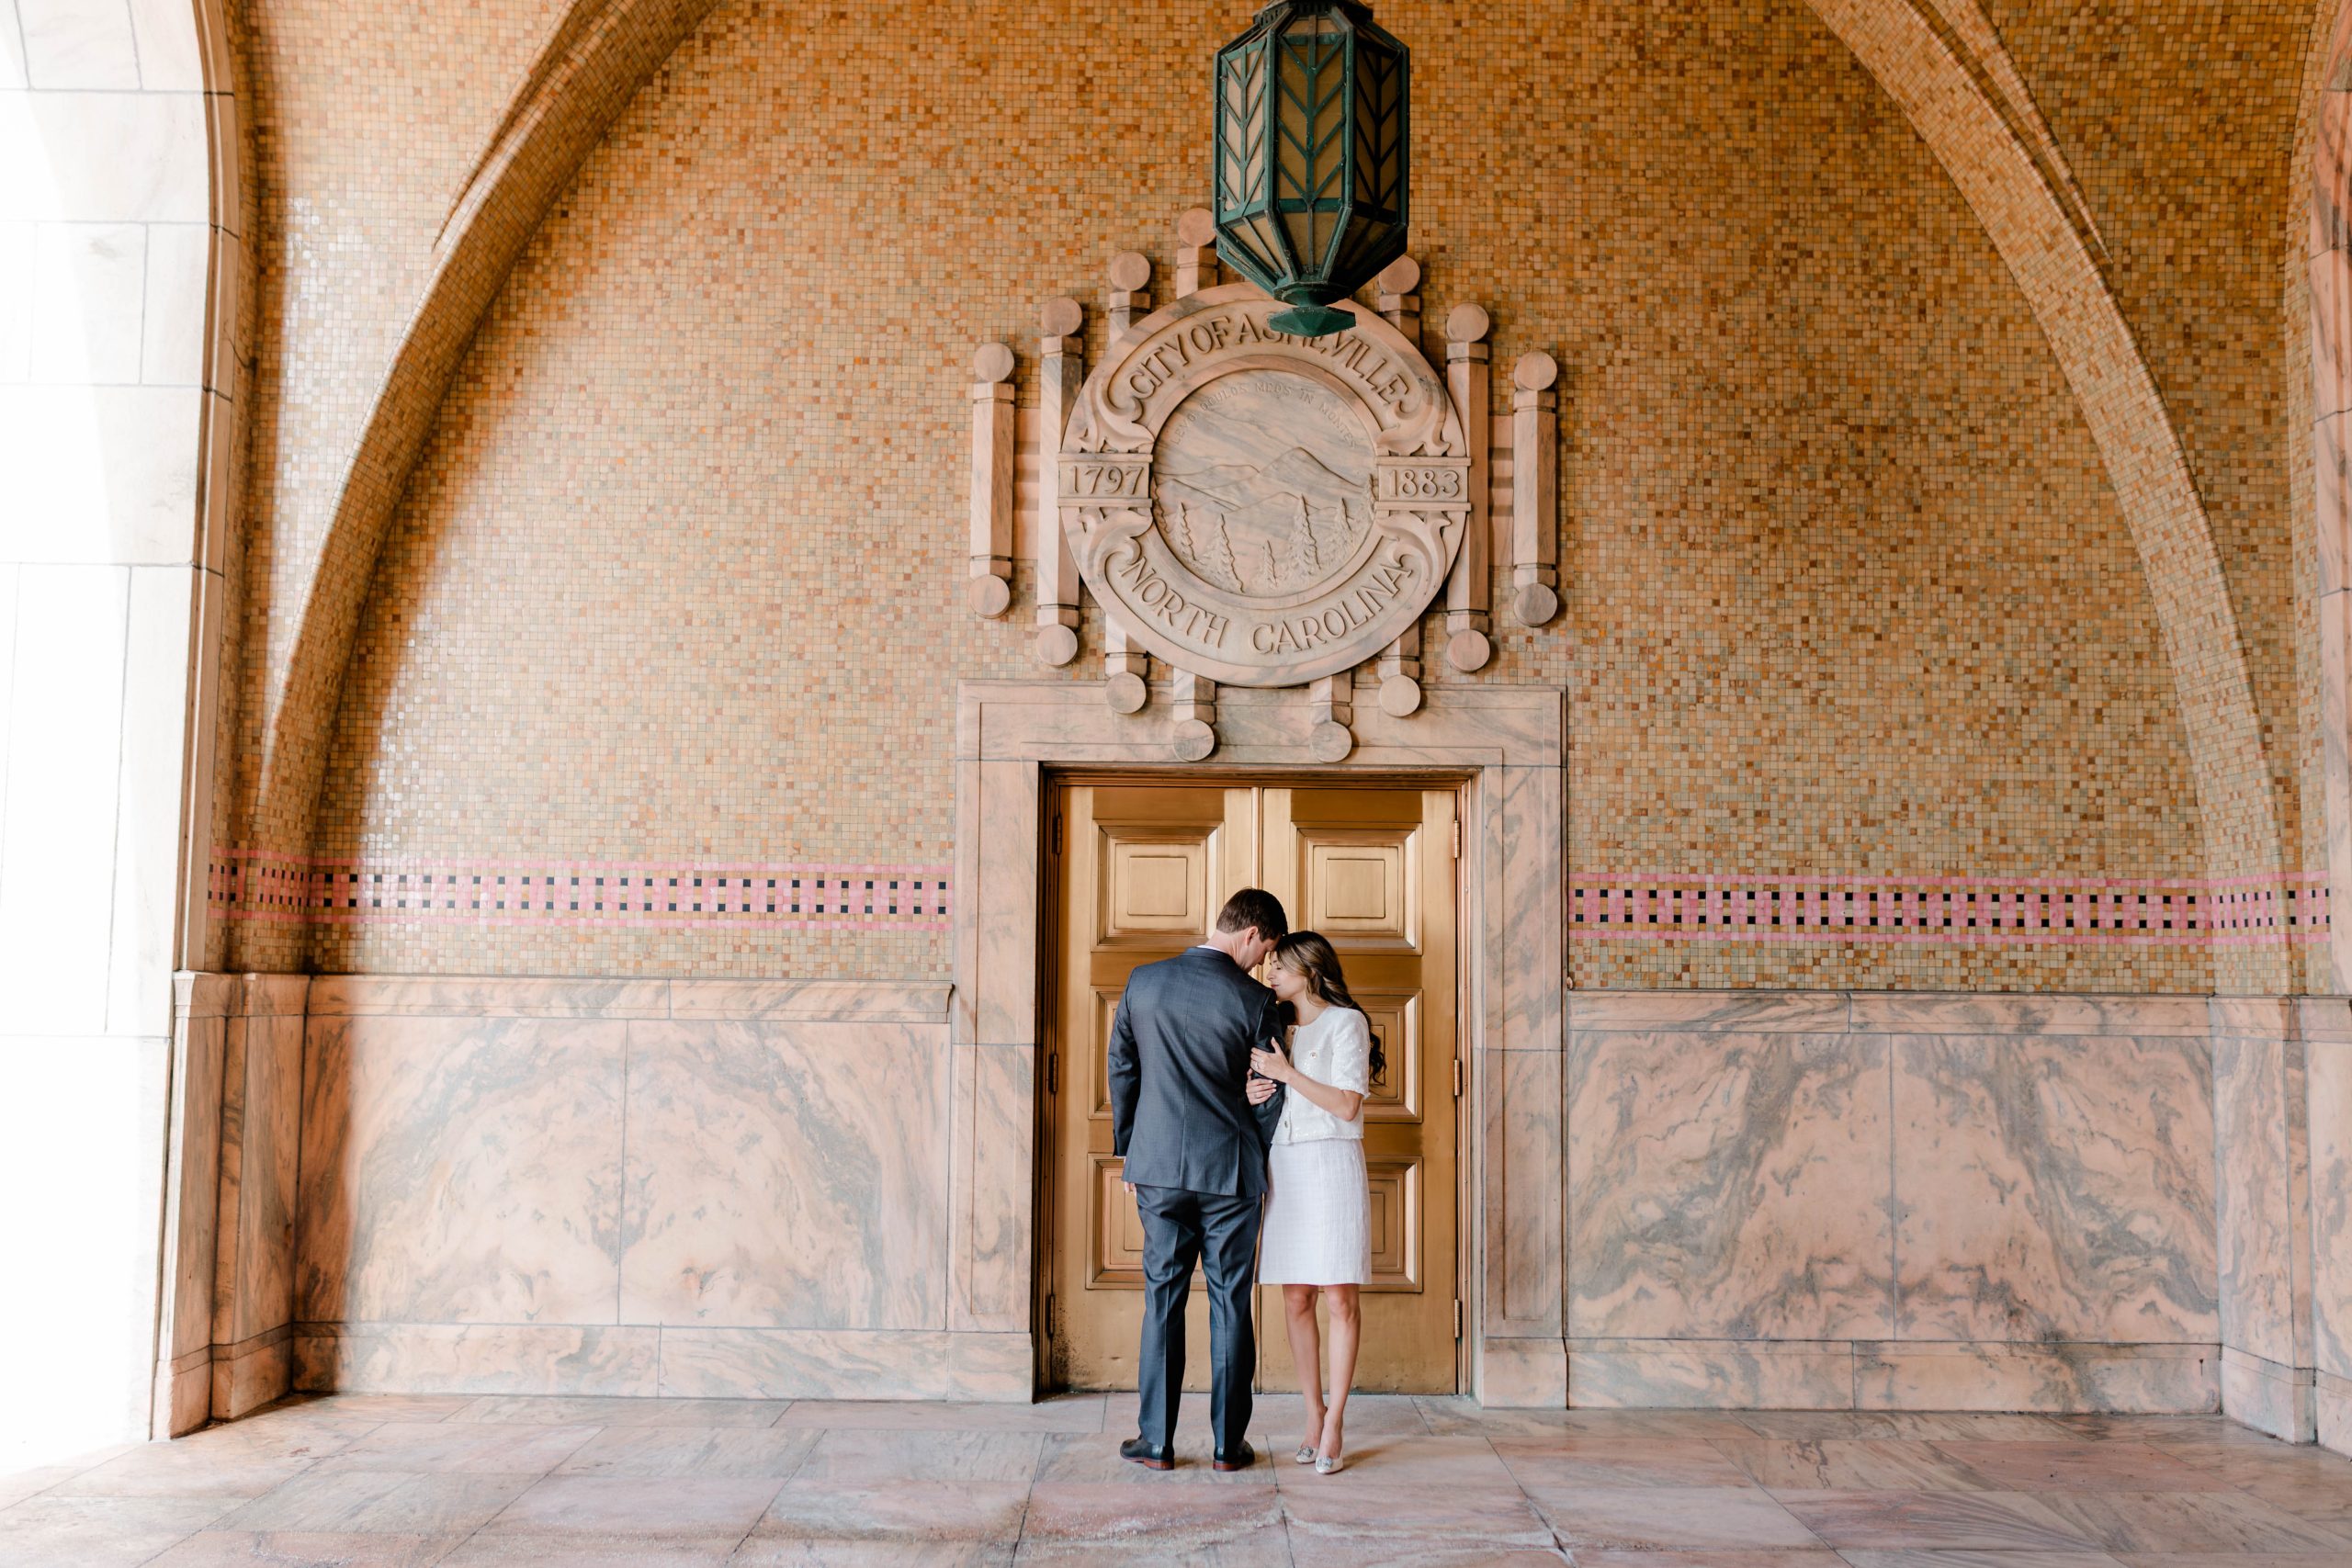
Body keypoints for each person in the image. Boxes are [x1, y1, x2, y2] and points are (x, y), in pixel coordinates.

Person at [1106, 887, 1290, 1472]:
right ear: (1251, 934)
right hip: (1229, 1171)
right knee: (1231, 1303)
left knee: (1162, 1299)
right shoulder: (1257, 1001)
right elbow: (1271, 1091)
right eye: (1265, 951)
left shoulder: (1144, 981)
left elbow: (1122, 1070)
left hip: (1158, 1168)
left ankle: (1156, 1441)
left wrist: (1131, 1152)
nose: (1263, 963)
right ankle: (1226, 1446)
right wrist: (1252, 1146)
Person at [1247, 930, 1378, 1476]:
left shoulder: (1347, 1023)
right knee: (1295, 1296)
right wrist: (1253, 1090)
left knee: (1338, 1298)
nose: (1270, 972)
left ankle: (1336, 1421)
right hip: (1287, 1164)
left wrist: (1286, 1073)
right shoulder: (1277, 1027)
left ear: (1310, 967)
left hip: (1331, 1164)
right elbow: (1268, 1095)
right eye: (1269, 962)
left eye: (1280, 964)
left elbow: (1347, 1105)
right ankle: (1311, 1412)